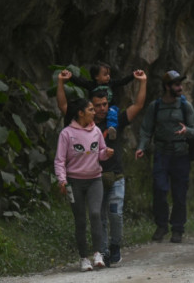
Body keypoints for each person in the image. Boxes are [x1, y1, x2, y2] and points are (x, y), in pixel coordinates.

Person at [57, 68, 147, 266]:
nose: (102, 109)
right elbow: (63, 105)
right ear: (90, 106)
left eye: (105, 104)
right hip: (93, 177)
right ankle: (103, 252)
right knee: (100, 216)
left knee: (115, 214)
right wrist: (61, 83)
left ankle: (114, 247)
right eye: (97, 106)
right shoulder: (80, 124)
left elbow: (138, 105)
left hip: (115, 175)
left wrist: (142, 82)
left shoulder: (115, 119)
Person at [135, 70, 194, 243]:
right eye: (176, 84)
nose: (180, 87)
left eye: (180, 84)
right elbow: (146, 130)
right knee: (159, 189)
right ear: (167, 87)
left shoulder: (186, 106)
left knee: (179, 193)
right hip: (161, 154)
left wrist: (187, 131)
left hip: (181, 155)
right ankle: (161, 225)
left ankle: (178, 228)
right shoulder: (155, 106)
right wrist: (141, 147)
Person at [54, 97, 114, 272]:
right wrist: (62, 180)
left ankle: (98, 253)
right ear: (80, 113)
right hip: (74, 182)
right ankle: (83, 258)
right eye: (90, 110)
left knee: (96, 214)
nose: (94, 112)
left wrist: (106, 153)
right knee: (80, 220)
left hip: (95, 179)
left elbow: (100, 153)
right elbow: (60, 160)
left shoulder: (96, 131)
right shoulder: (67, 134)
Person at [69, 62, 135, 139]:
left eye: (109, 74)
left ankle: (112, 129)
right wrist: (70, 76)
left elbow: (122, 81)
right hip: (94, 109)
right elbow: (80, 82)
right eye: (105, 75)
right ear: (96, 76)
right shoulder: (91, 85)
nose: (108, 77)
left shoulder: (111, 83)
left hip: (110, 107)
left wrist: (132, 75)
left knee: (113, 113)